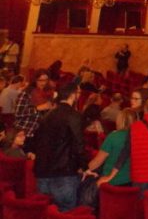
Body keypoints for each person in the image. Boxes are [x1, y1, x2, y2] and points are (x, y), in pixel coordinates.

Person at [33, 83, 87, 212]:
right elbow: (78, 145)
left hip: (42, 171)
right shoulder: (74, 116)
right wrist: (84, 166)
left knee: (45, 212)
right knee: (65, 212)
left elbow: (38, 143)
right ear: (73, 95)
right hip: (63, 173)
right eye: (78, 93)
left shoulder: (47, 116)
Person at [84, 108, 137, 186]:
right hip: (132, 183)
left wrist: (84, 169)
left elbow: (97, 162)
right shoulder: (137, 137)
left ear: (119, 120)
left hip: (110, 182)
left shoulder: (113, 137)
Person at [15, 69, 54, 150]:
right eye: (40, 80)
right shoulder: (26, 93)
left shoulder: (48, 93)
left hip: (39, 133)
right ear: (35, 80)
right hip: (25, 131)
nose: (43, 83)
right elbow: (19, 113)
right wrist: (38, 108)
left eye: (46, 80)